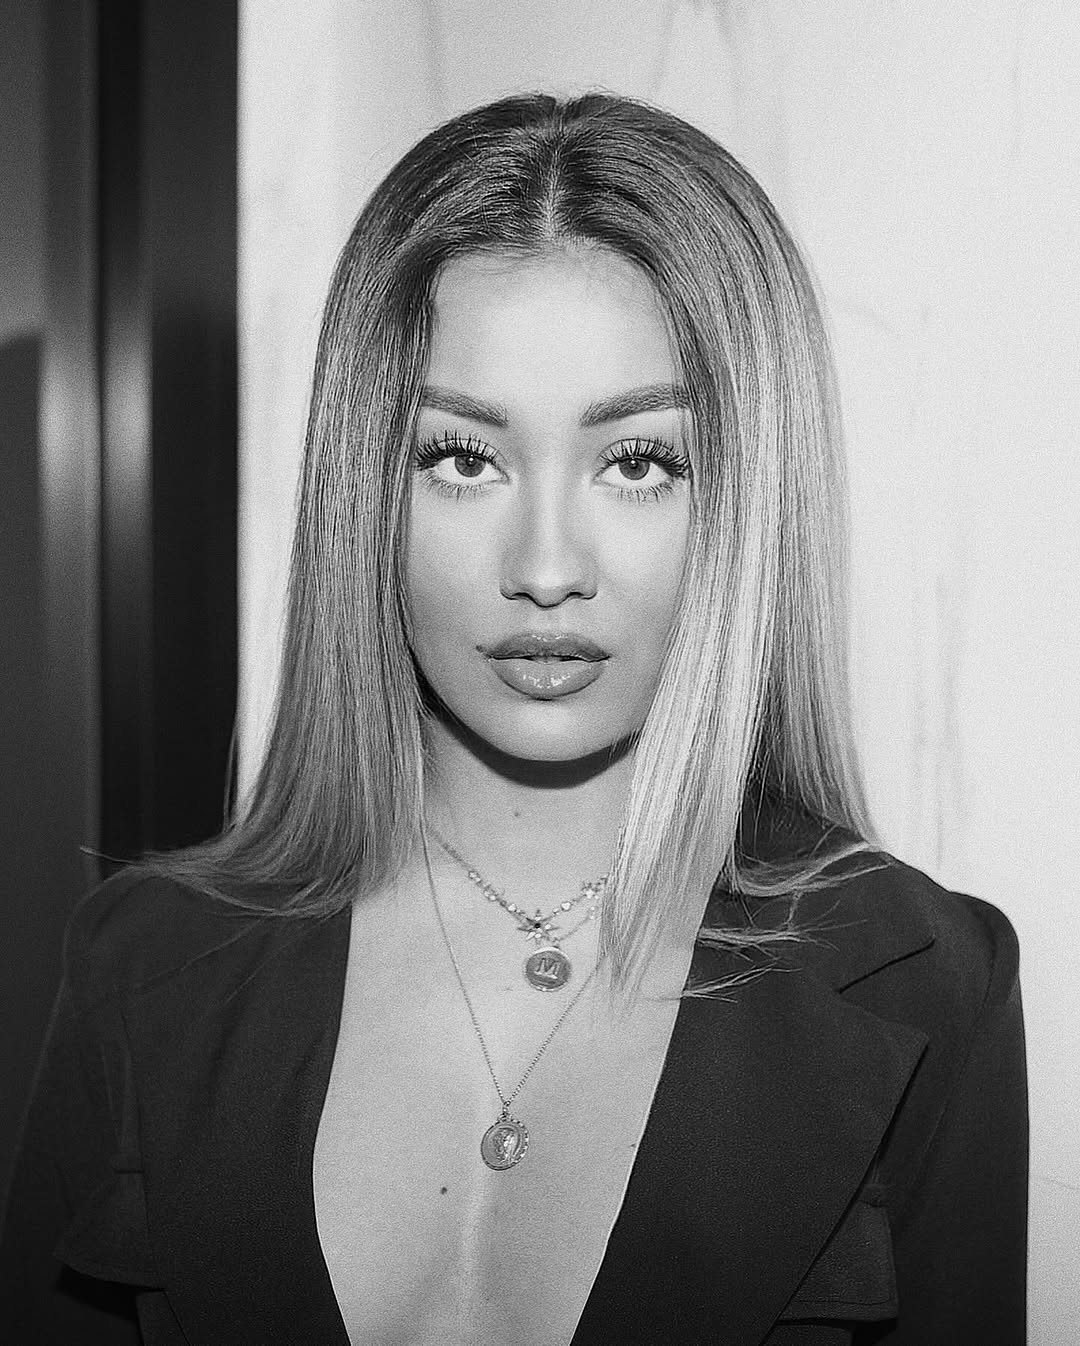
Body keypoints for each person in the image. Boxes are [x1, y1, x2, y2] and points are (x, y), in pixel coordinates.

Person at [0, 92, 1027, 1345]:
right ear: (364, 488)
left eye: (639, 461)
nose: (545, 567)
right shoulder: (142, 964)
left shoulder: (926, 985)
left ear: (749, 497)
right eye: (462, 457)